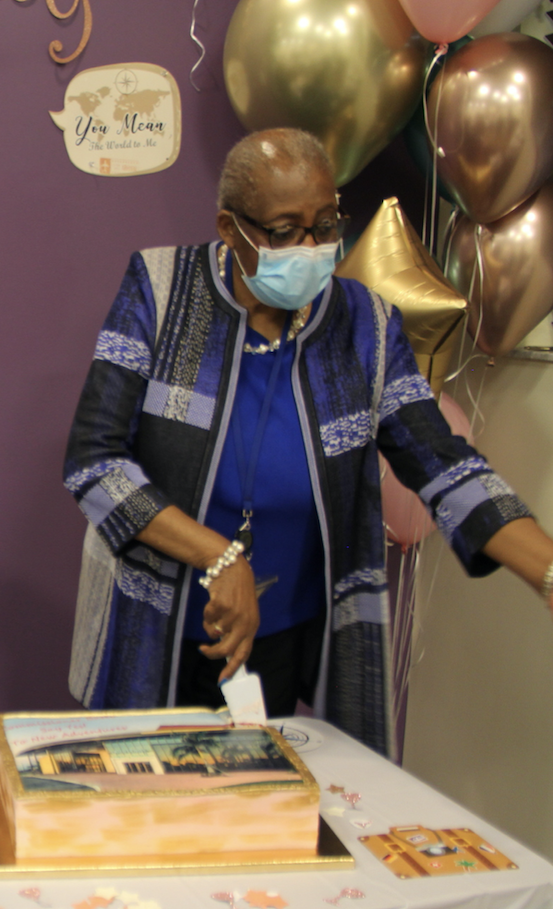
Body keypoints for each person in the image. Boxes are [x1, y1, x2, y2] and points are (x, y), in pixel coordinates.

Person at [64, 128, 553, 756]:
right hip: (156, 625)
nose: (315, 247)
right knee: (148, 820)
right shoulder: (161, 291)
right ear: (230, 227)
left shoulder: (364, 325)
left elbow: (444, 464)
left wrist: (545, 572)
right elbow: (93, 459)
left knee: (268, 819)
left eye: (326, 224)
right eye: (286, 230)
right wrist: (219, 557)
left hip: (288, 631)